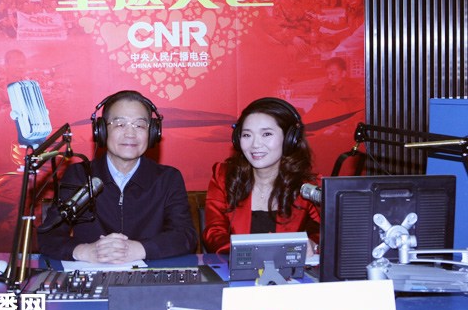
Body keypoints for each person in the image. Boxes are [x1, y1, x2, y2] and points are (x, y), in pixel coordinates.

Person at [38, 90, 198, 263]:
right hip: (92, 274)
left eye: (139, 125)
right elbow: (48, 235)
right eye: (120, 124)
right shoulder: (79, 175)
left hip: (148, 276)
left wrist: (140, 249)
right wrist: (86, 251)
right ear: (101, 131)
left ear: (153, 132)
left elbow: (185, 236)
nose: (130, 134)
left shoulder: (168, 179)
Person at [202, 97, 320, 254]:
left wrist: (313, 244)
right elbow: (214, 235)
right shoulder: (224, 177)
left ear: (290, 139)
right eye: (247, 135)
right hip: (239, 266)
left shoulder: (308, 187)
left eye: (266, 134)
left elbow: (328, 232)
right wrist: (254, 254)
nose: (255, 144)